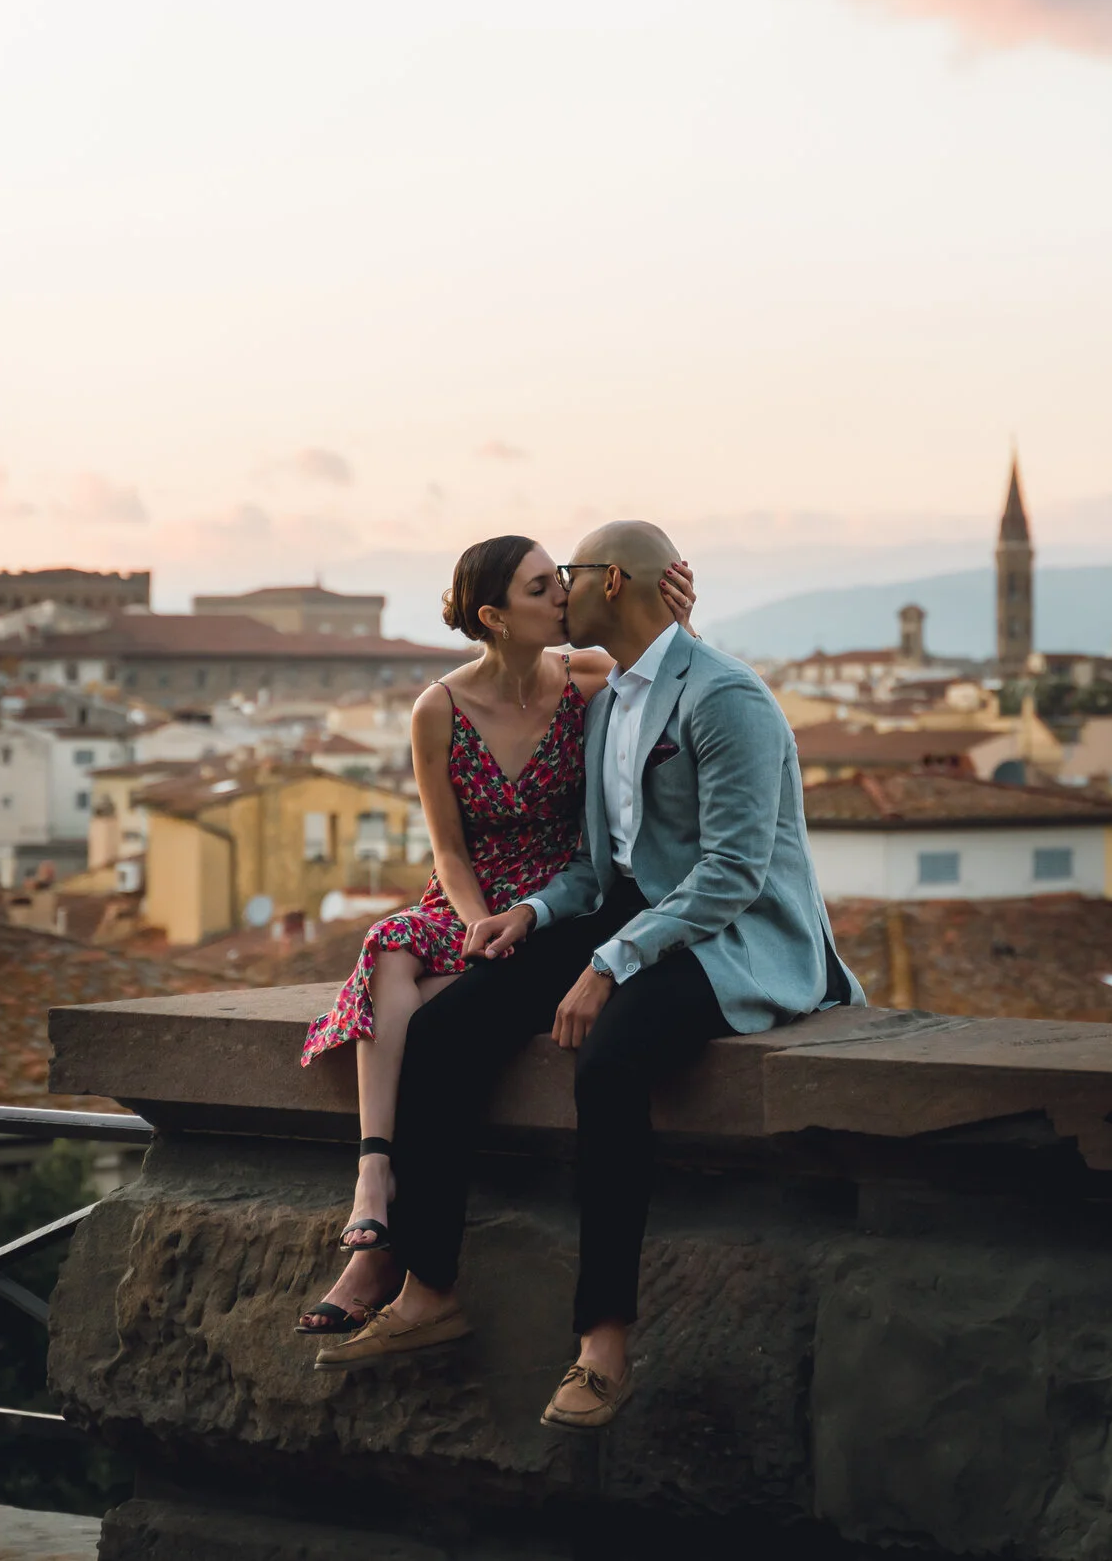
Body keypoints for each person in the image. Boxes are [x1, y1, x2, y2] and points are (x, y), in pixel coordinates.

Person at [314, 520, 863, 1434]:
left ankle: (604, 1342)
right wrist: (533, 915)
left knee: (609, 1061)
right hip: (627, 917)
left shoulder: (727, 697)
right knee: (445, 1030)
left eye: (567, 575)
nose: (560, 590)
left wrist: (611, 962)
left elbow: (733, 874)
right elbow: (599, 866)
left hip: (730, 937)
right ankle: (429, 1287)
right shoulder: (604, 702)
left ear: (610, 582)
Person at [292, 536, 690, 1338]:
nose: (563, 595)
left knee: (427, 1006)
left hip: (565, 896)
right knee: (389, 945)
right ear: (494, 616)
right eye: (542, 588)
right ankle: (373, 1173)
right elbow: (447, 847)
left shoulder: (588, 679)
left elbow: (673, 691)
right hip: (474, 895)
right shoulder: (438, 708)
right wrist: (476, 923)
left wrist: (677, 617)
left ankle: (385, 1238)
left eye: (560, 580)